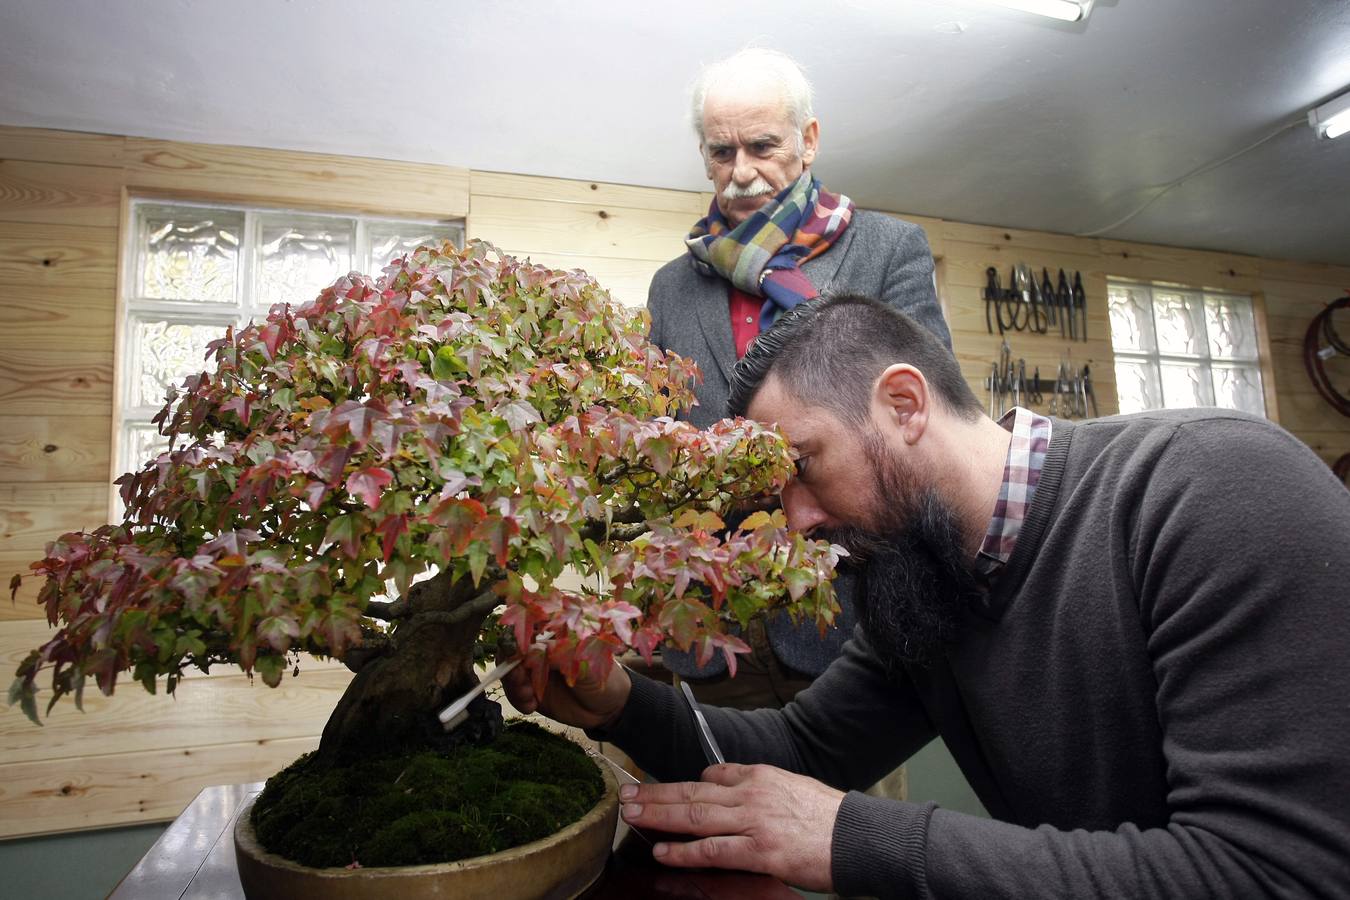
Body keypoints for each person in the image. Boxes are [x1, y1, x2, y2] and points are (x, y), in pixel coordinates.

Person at [505, 294, 1350, 898]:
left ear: (904, 403)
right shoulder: (922, 576)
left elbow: (1273, 872)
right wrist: (617, 702)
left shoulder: (1217, 488)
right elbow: (804, 750)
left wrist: (851, 838)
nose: (794, 522)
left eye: (802, 466)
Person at [647, 47, 951, 706]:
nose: (742, 172)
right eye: (721, 152)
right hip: (709, 632)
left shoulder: (887, 252)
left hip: (850, 624)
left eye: (762, 146)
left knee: (840, 810)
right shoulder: (671, 287)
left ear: (808, 141)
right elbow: (653, 439)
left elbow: (931, 418)